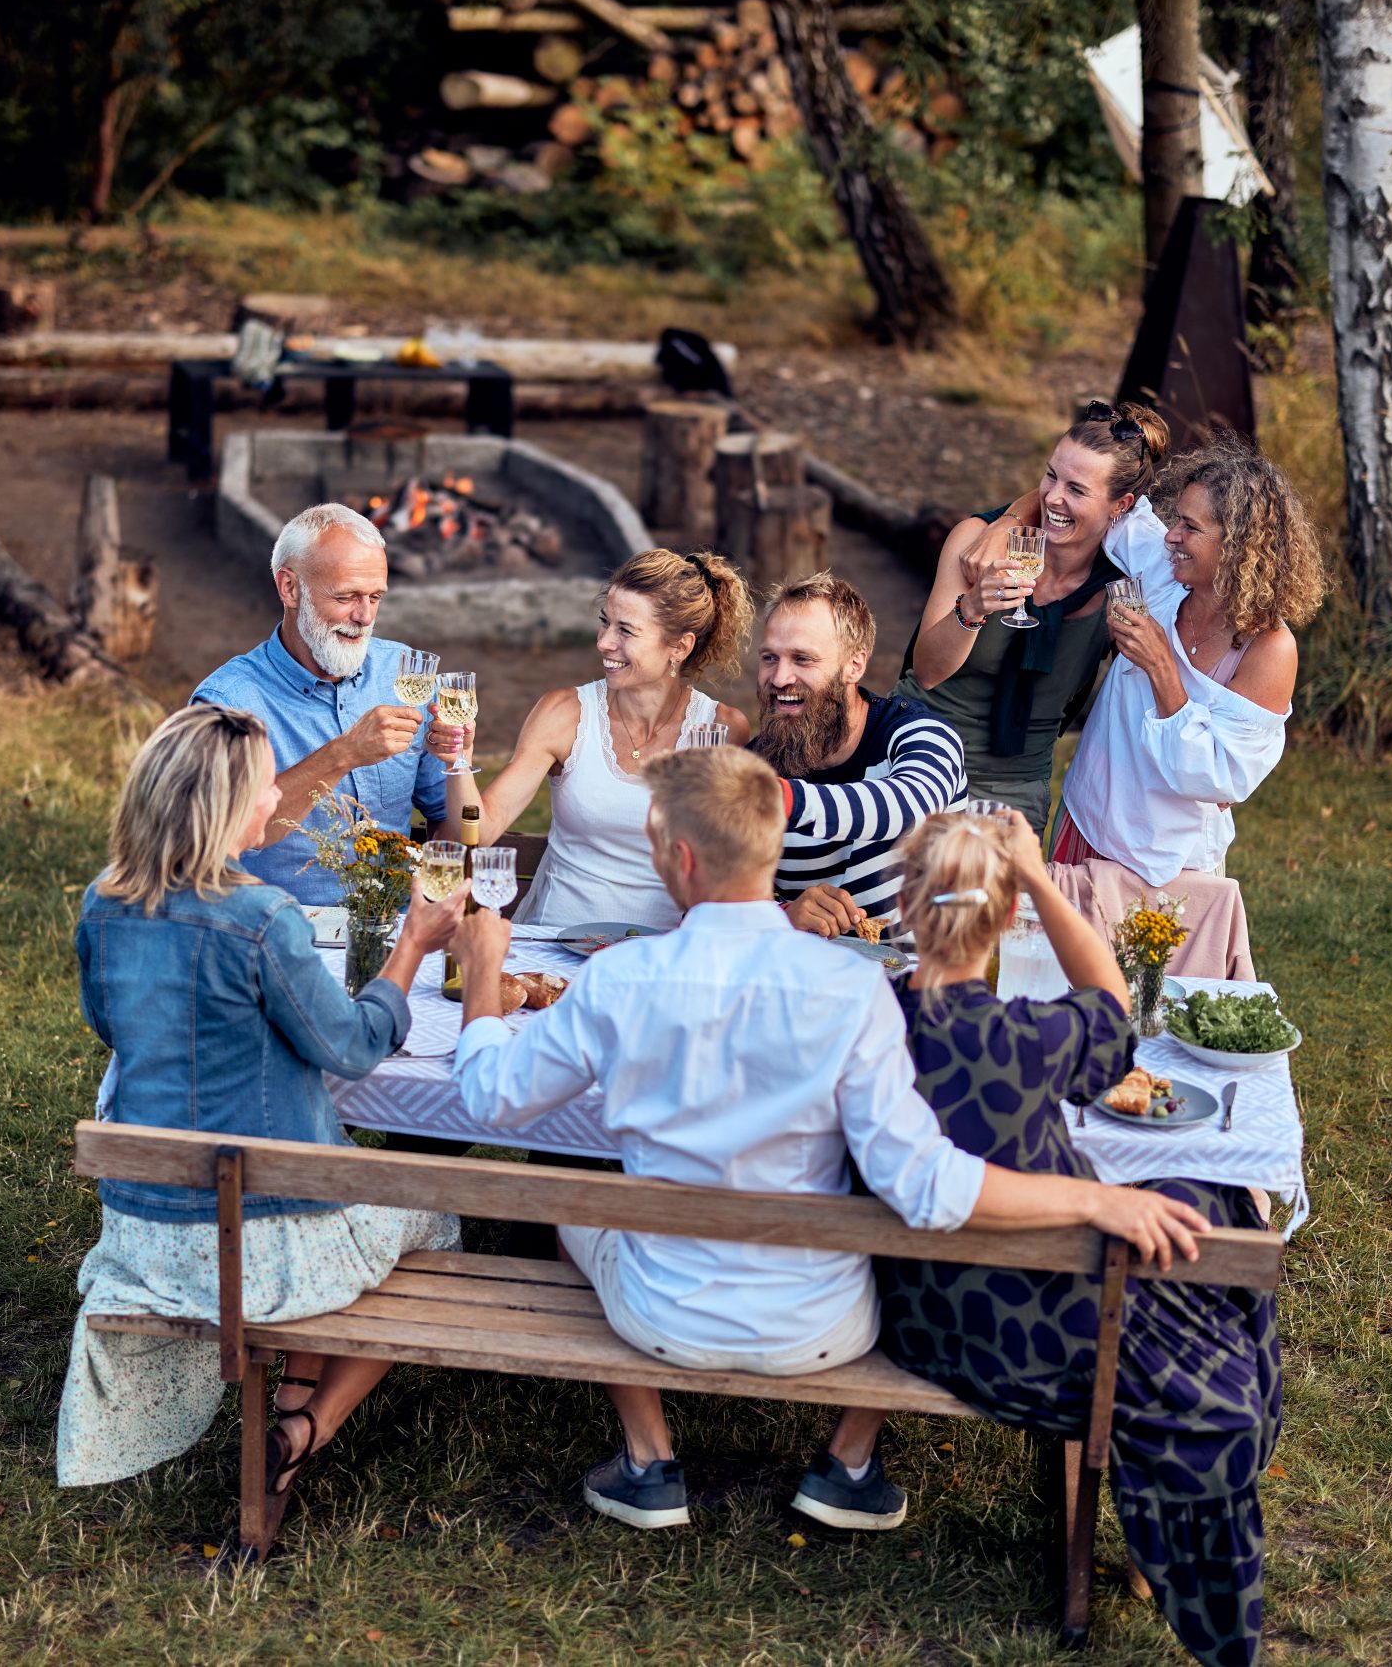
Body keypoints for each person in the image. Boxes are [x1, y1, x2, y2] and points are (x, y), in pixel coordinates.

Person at [441, 747, 1209, 1534]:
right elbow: (924, 1184)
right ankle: (845, 1462)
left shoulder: (619, 978)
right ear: (772, 848)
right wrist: (1096, 1197)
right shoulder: (853, 988)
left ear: (679, 857)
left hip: (660, 1316)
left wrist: (483, 980)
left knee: (578, 1211)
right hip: (822, 1328)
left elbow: (490, 1098)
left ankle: (648, 1458)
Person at [834, 808, 1282, 1666]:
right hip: (1027, 1330)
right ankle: (1188, 1569)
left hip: (911, 1308)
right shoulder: (1030, 1039)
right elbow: (1115, 1012)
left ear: (904, 908)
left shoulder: (866, 1025)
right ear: (1007, 920)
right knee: (1221, 1225)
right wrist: (1040, 874)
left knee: (1200, 1200)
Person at [56, 705, 468, 1548]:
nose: (276, 798)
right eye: (262, 785)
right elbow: (351, 1047)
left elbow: (112, 1028)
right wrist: (415, 947)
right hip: (257, 1256)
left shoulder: (104, 903)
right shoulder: (262, 917)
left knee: (322, 1180)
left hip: (141, 1236)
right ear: (220, 805)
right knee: (437, 1221)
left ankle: (288, 1407)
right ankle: (306, 1421)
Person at [1049, 437, 1327, 979]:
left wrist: (1161, 669)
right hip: (1085, 823)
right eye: (1176, 519)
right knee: (1058, 996)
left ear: (1242, 546)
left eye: (1192, 528)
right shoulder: (1163, 571)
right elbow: (1094, 504)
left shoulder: (1267, 649)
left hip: (1166, 865)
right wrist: (995, 526)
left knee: (1150, 1018)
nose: (1172, 536)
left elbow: (1220, 779)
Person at [893, 400, 1173, 828]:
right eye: (1050, 475)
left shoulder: (1125, 583)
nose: (1053, 498)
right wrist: (973, 609)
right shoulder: (980, 543)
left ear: (1121, 505)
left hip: (1017, 787)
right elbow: (926, 671)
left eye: (1077, 490)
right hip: (922, 754)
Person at [188, 503, 474, 905]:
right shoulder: (228, 703)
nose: (364, 616)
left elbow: (450, 823)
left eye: (376, 596)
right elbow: (221, 835)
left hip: (395, 933)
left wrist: (458, 760)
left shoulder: (405, 675)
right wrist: (343, 755)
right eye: (346, 596)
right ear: (289, 588)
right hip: (278, 938)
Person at [460, 548, 753, 929]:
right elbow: (482, 829)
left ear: (679, 647)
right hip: (553, 944)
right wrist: (459, 759)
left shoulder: (723, 731)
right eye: (605, 623)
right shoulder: (564, 713)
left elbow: (735, 862)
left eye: (626, 630)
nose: (604, 642)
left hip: (659, 953)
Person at [747, 572, 969, 938]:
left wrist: (780, 798)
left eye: (802, 659)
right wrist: (783, 914)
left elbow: (911, 805)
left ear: (855, 665)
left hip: (923, 978)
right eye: (770, 657)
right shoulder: (758, 763)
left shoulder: (919, 734)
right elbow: (721, 897)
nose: (780, 677)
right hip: (814, 979)